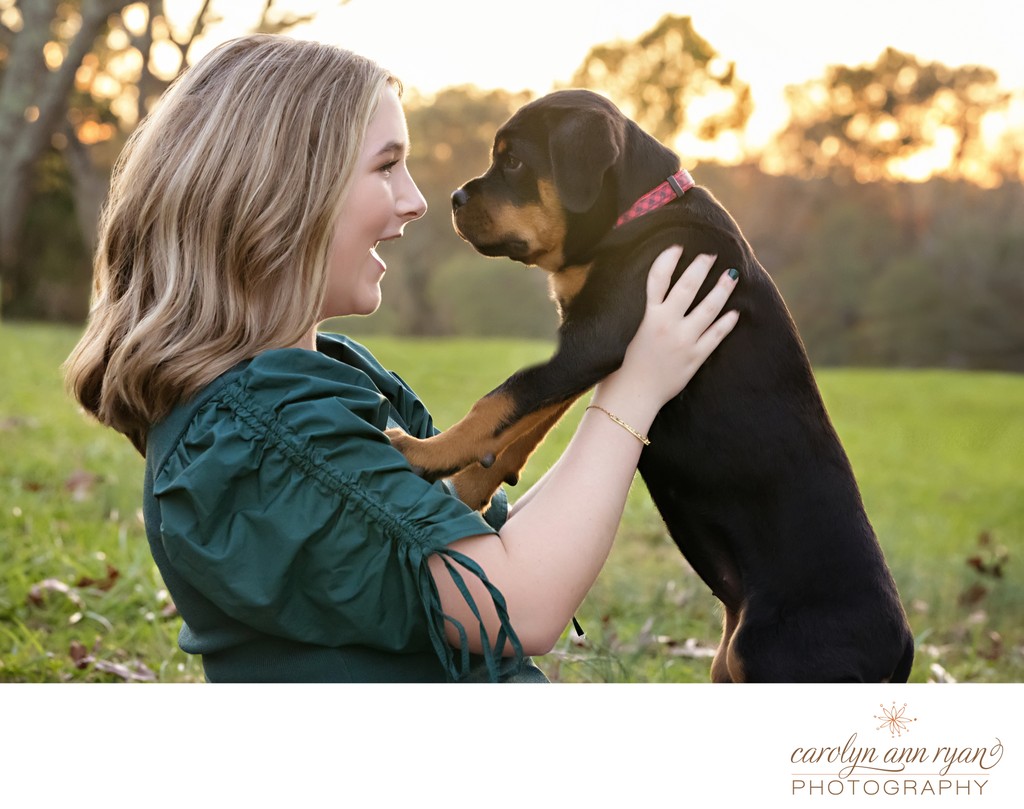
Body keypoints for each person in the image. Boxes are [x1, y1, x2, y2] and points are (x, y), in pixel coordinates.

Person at [63, 34, 739, 683]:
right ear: (282, 195)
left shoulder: (317, 382)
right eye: (386, 167)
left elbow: (482, 547)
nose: (417, 201)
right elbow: (517, 603)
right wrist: (632, 390)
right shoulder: (263, 434)